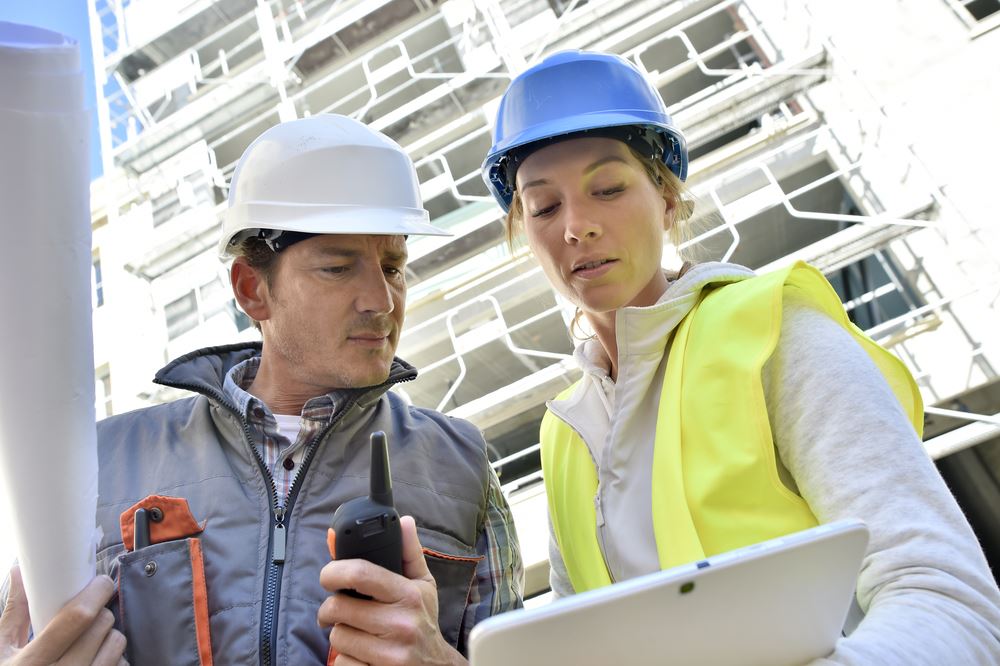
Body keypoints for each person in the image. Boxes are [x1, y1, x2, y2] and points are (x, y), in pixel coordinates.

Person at [481, 50, 1000, 663]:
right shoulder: (565, 438)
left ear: (667, 200)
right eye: (543, 206)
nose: (577, 226)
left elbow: (945, 592)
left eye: (609, 188)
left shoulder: (773, 332)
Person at [1, 113, 522, 665]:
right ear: (252, 289)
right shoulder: (100, 468)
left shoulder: (461, 466)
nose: (382, 300)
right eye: (339, 269)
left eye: (393, 267)